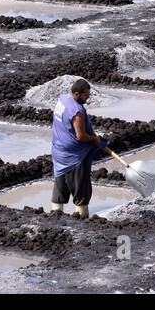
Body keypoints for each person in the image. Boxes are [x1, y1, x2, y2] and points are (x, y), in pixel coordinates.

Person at [50, 78, 110, 219]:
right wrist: (95, 139)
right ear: (77, 94)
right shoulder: (77, 112)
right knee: (81, 188)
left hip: (59, 151)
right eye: (85, 95)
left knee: (60, 186)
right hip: (74, 157)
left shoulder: (62, 100)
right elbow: (81, 136)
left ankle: (55, 217)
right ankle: (82, 218)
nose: (87, 98)